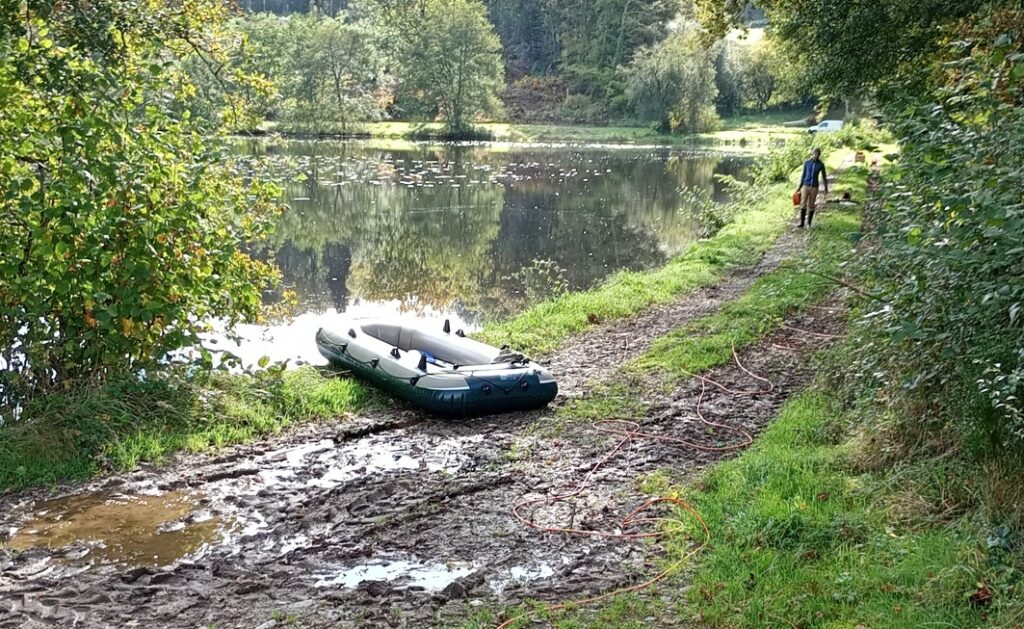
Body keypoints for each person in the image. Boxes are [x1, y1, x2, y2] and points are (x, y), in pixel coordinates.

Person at [795, 148, 828, 227]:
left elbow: (824, 177)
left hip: (814, 187)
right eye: (814, 153)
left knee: (811, 204)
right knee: (803, 204)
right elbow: (803, 175)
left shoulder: (821, 164)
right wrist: (799, 187)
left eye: (817, 154)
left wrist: (826, 188)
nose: (815, 155)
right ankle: (802, 222)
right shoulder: (807, 163)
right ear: (812, 154)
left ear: (819, 155)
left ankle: (809, 223)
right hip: (805, 186)